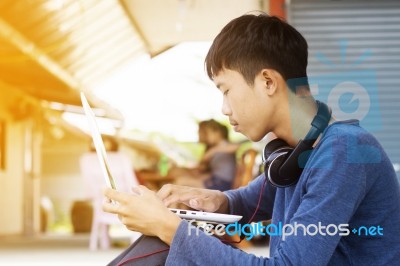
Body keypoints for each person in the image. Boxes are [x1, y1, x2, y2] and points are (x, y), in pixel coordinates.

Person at [102, 13, 400, 265]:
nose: (224, 108)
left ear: (268, 82)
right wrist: (212, 200)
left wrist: (169, 227)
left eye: (226, 90)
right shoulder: (294, 155)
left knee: (171, 243)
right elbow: (245, 201)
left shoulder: (343, 151)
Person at [170, 119, 239, 191]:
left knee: (181, 182)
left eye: (207, 133)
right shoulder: (215, 147)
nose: (206, 136)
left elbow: (236, 146)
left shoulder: (224, 145)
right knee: (181, 180)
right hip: (216, 180)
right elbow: (203, 166)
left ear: (217, 132)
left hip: (222, 184)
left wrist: (213, 151)